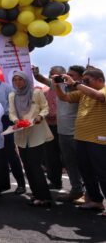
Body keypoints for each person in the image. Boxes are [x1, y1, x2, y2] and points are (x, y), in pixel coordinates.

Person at [54, 67, 106, 215]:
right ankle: (96, 200)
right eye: (83, 81)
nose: (83, 83)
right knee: (86, 171)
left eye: (87, 80)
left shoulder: (102, 91)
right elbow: (64, 98)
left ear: (100, 80)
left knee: (102, 173)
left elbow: (99, 97)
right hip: (82, 138)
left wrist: (76, 84)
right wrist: (57, 85)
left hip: (99, 141)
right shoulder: (83, 93)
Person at [33, 65, 86, 201]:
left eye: (70, 75)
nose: (61, 78)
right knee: (69, 162)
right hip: (62, 132)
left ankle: (87, 192)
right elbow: (42, 80)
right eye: (53, 76)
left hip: (78, 133)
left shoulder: (83, 90)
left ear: (81, 77)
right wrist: (36, 73)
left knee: (82, 163)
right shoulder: (59, 86)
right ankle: (76, 190)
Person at [9, 72, 53, 207]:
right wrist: (17, 121)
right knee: (27, 166)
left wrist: (40, 116)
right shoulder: (12, 95)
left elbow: (45, 107)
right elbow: (11, 112)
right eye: (15, 80)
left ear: (26, 80)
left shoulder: (36, 93)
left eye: (20, 79)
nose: (17, 82)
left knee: (35, 166)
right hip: (22, 133)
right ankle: (35, 194)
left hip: (36, 133)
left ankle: (44, 197)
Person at [0, 66, 26, 194]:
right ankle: (2, 185)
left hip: (6, 121)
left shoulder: (7, 88)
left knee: (11, 154)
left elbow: (15, 106)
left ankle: (21, 184)